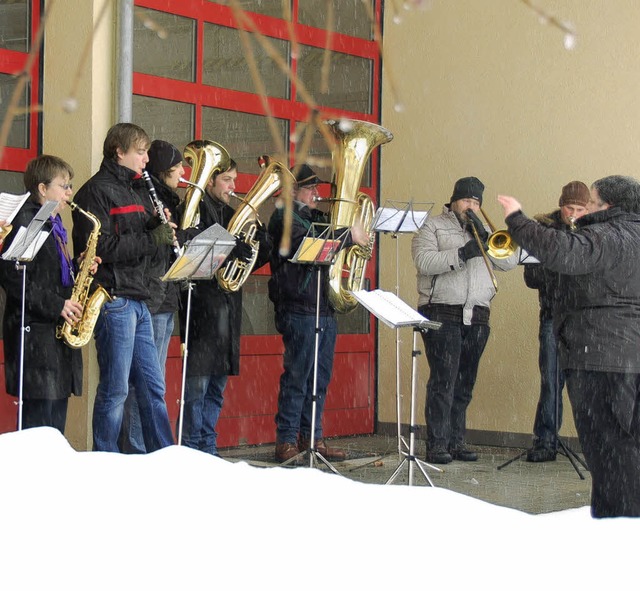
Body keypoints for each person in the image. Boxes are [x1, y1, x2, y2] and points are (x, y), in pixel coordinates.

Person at [498, 175, 640, 518]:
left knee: (607, 448)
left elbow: (561, 251)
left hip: (601, 355)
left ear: (609, 205)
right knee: (630, 445)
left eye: (591, 202)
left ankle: (617, 523)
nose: (587, 208)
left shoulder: (608, 235)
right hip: (631, 354)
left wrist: (517, 219)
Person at [72, 122, 176, 453]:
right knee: (116, 388)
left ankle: (163, 453)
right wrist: (150, 237)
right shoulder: (95, 191)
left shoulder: (139, 190)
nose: (146, 160)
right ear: (119, 152)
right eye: (140, 152)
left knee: (151, 386)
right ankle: (107, 458)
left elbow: (145, 242)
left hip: (140, 298)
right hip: (114, 298)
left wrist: (160, 228)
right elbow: (101, 248)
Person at [411, 176, 519, 465]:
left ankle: (457, 441)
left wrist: (484, 237)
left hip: (478, 314)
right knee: (444, 381)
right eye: (466, 201)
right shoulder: (433, 226)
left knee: (465, 382)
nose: (471, 206)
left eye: (476, 202)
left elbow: (509, 262)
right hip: (442, 311)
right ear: (454, 200)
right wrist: (462, 253)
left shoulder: (481, 229)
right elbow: (424, 261)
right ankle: (437, 444)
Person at [267, 163, 369, 463]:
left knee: (319, 379)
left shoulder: (316, 217)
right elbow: (305, 245)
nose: (317, 193)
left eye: (317, 188)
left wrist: (349, 231)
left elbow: (329, 239)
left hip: (323, 308)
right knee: (298, 377)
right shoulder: (284, 218)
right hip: (298, 308)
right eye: (310, 188)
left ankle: (312, 437)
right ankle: (286, 440)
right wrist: (346, 235)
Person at [177, 157, 269, 456]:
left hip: (227, 310)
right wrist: (230, 248)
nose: (234, 186)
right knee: (197, 388)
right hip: (203, 309)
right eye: (228, 179)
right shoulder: (194, 211)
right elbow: (194, 254)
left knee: (216, 389)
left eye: (234, 179)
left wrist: (261, 243)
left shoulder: (233, 215)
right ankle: (193, 449)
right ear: (211, 180)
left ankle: (209, 447)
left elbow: (251, 262)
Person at [0, 155, 90, 433]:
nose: (69, 192)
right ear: (42, 188)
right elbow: (13, 276)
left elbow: (47, 272)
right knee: (41, 423)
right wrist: (57, 305)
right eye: (64, 185)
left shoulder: (53, 223)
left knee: (53, 419)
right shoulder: (31, 221)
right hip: (35, 335)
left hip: (50, 334)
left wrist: (79, 265)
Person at [119, 139, 186, 453]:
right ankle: (138, 446)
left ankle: (149, 446)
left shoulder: (169, 198)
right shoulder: (148, 195)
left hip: (166, 296)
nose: (184, 173)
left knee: (153, 382)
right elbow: (148, 249)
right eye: (178, 168)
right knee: (145, 382)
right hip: (153, 297)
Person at [522, 181, 589, 462]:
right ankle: (545, 442)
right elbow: (531, 278)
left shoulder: (594, 233)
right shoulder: (544, 231)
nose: (573, 214)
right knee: (551, 381)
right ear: (561, 205)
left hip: (585, 320)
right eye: (569, 207)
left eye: (579, 209)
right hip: (552, 316)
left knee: (588, 385)